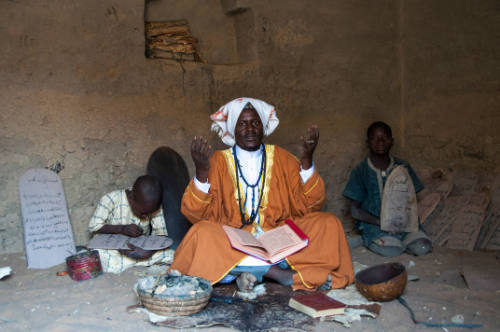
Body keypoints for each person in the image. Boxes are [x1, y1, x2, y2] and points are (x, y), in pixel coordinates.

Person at [169, 97, 354, 292]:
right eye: (243, 124)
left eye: (255, 123)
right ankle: (274, 273)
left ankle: (243, 272)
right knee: (202, 233)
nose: (250, 129)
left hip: (279, 236)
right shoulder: (217, 161)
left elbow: (308, 206)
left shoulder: (283, 158)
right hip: (234, 239)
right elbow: (196, 215)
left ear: (263, 127)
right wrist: (201, 173)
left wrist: (307, 162)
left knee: (329, 223)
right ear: (232, 129)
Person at [343, 121, 432, 257]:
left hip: (405, 226)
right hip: (376, 227)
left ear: (392, 141)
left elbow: (414, 198)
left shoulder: (403, 167)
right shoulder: (360, 171)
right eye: (375, 138)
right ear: (368, 142)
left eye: (385, 138)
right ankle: (369, 239)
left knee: (422, 247)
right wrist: (383, 222)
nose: (380, 142)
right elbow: (355, 211)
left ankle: (403, 240)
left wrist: (404, 221)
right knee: (391, 250)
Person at [88, 175, 174, 273]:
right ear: (131, 198)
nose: (146, 215)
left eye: (149, 213)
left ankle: (132, 263)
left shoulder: (153, 206)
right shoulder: (111, 199)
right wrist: (122, 229)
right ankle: (137, 263)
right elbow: (94, 226)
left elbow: (160, 234)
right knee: (100, 255)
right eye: (142, 212)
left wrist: (148, 252)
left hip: (140, 249)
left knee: (170, 254)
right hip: (114, 249)